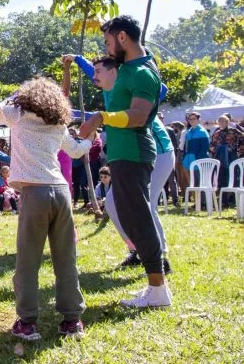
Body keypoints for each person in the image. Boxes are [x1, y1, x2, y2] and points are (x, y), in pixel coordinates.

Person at [0, 65, 93, 341]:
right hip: (61, 193)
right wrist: (92, 133)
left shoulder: (17, 116)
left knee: (28, 261)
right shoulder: (58, 124)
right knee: (65, 259)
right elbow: (79, 150)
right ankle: (72, 321)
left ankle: (28, 323)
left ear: (28, 97)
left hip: (35, 194)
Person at [78, 15, 172, 308]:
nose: (106, 49)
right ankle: (154, 287)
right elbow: (101, 76)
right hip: (122, 155)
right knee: (132, 217)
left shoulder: (143, 72)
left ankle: (158, 289)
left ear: (122, 38)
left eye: (108, 41)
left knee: (140, 218)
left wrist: (102, 117)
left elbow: (139, 116)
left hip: (134, 153)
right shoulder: (128, 68)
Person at [64, 54, 174, 273]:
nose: (94, 77)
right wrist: (77, 59)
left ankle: (160, 258)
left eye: (98, 73)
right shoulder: (109, 90)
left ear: (115, 73)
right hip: (130, 155)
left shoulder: (130, 85)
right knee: (113, 204)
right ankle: (138, 250)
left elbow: (160, 89)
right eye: (93, 73)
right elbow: (96, 71)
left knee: (145, 206)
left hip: (158, 154)